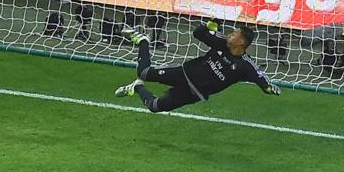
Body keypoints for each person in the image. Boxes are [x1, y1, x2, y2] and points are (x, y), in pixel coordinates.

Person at [113, 20, 280, 114]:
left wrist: (270, 88)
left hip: (193, 93)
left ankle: (137, 87)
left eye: (235, 33)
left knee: (154, 106)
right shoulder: (222, 43)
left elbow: (262, 81)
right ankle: (143, 40)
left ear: (241, 42)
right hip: (184, 73)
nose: (230, 34)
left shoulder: (245, 65)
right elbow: (198, 33)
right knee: (144, 72)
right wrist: (210, 24)